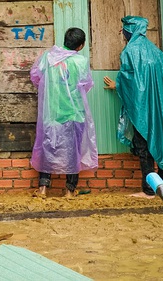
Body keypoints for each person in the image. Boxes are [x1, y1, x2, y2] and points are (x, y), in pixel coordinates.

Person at [103, 16, 163, 199]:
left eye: (124, 30)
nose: (123, 34)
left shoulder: (130, 51)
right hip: (158, 107)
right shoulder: (157, 52)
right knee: (160, 141)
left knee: (144, 146)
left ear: (129, 30)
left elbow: (129, 80)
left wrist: (117, 85)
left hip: (141, 107)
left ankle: (150, 190)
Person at [30, 27, 98, 198]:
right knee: (73, 151)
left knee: (48, 146)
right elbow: (87, 84)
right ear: (81, 45)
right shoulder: (81, 62)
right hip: (74, 113)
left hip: (51, 112)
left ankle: (43, 189)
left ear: (65, 40)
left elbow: (35, 77)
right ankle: (70, 190)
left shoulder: (48, 57)